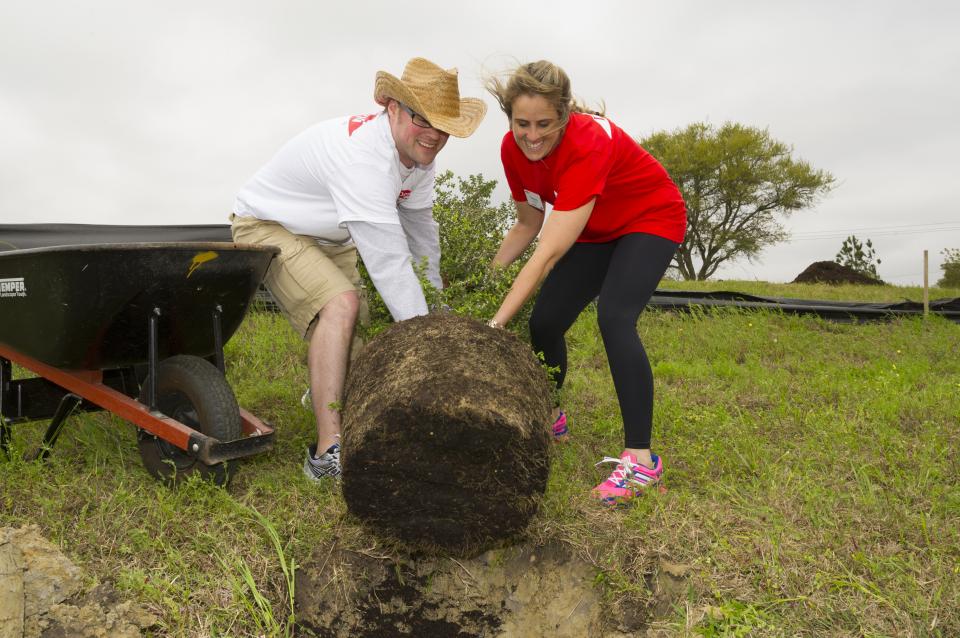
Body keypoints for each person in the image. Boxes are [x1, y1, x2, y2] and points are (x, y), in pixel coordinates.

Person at [231, 58, 486, 482]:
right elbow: (389, 263)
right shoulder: (364, 160)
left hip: (331, 235)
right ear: (392, 109)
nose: (435, 134)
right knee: (341, 305)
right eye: (423, 118)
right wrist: (433, 346)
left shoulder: (419, 159)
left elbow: (421, 236)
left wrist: (438, 311)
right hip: (266, 226)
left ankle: (326, 388)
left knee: (367, 323)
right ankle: (328, 452)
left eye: (444, 126)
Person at [485, 60, 686, 505]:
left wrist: (494, 325)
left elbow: (549, 251)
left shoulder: (588, 140)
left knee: (615, 317)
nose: (532, 135)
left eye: (544, 124)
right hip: (596, 230)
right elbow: (528, 223)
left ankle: (641, 462)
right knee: (545, 323)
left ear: (564, 115)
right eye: (522, 123)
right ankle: (552, 415)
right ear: (510, 118)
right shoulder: (512, 149)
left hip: (650, 219)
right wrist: (485, 281)